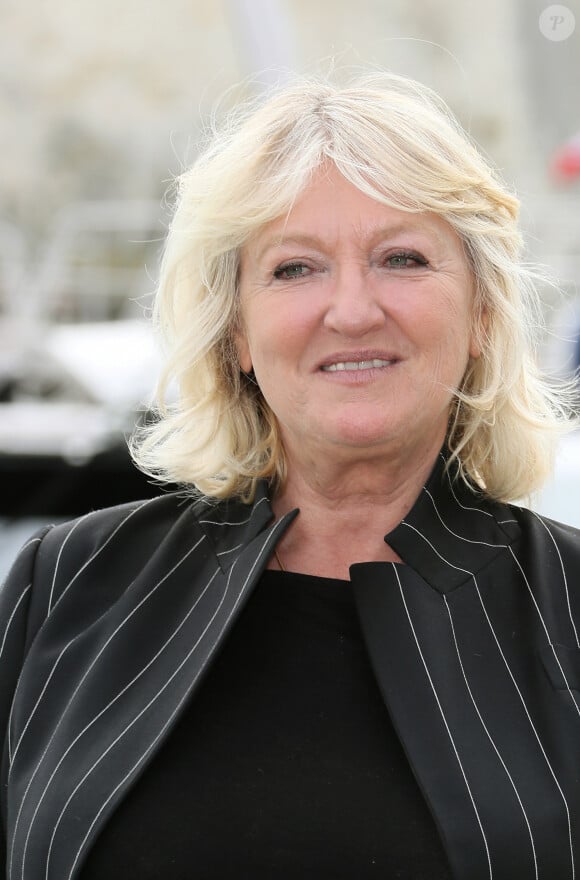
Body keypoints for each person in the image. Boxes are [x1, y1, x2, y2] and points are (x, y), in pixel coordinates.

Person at [1, 72, 579, 880]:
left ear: (481, 312)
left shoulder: (570, 612)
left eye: (401, 258)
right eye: (294, 269)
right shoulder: (66, 584)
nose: (350, 309)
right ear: (235, 332)